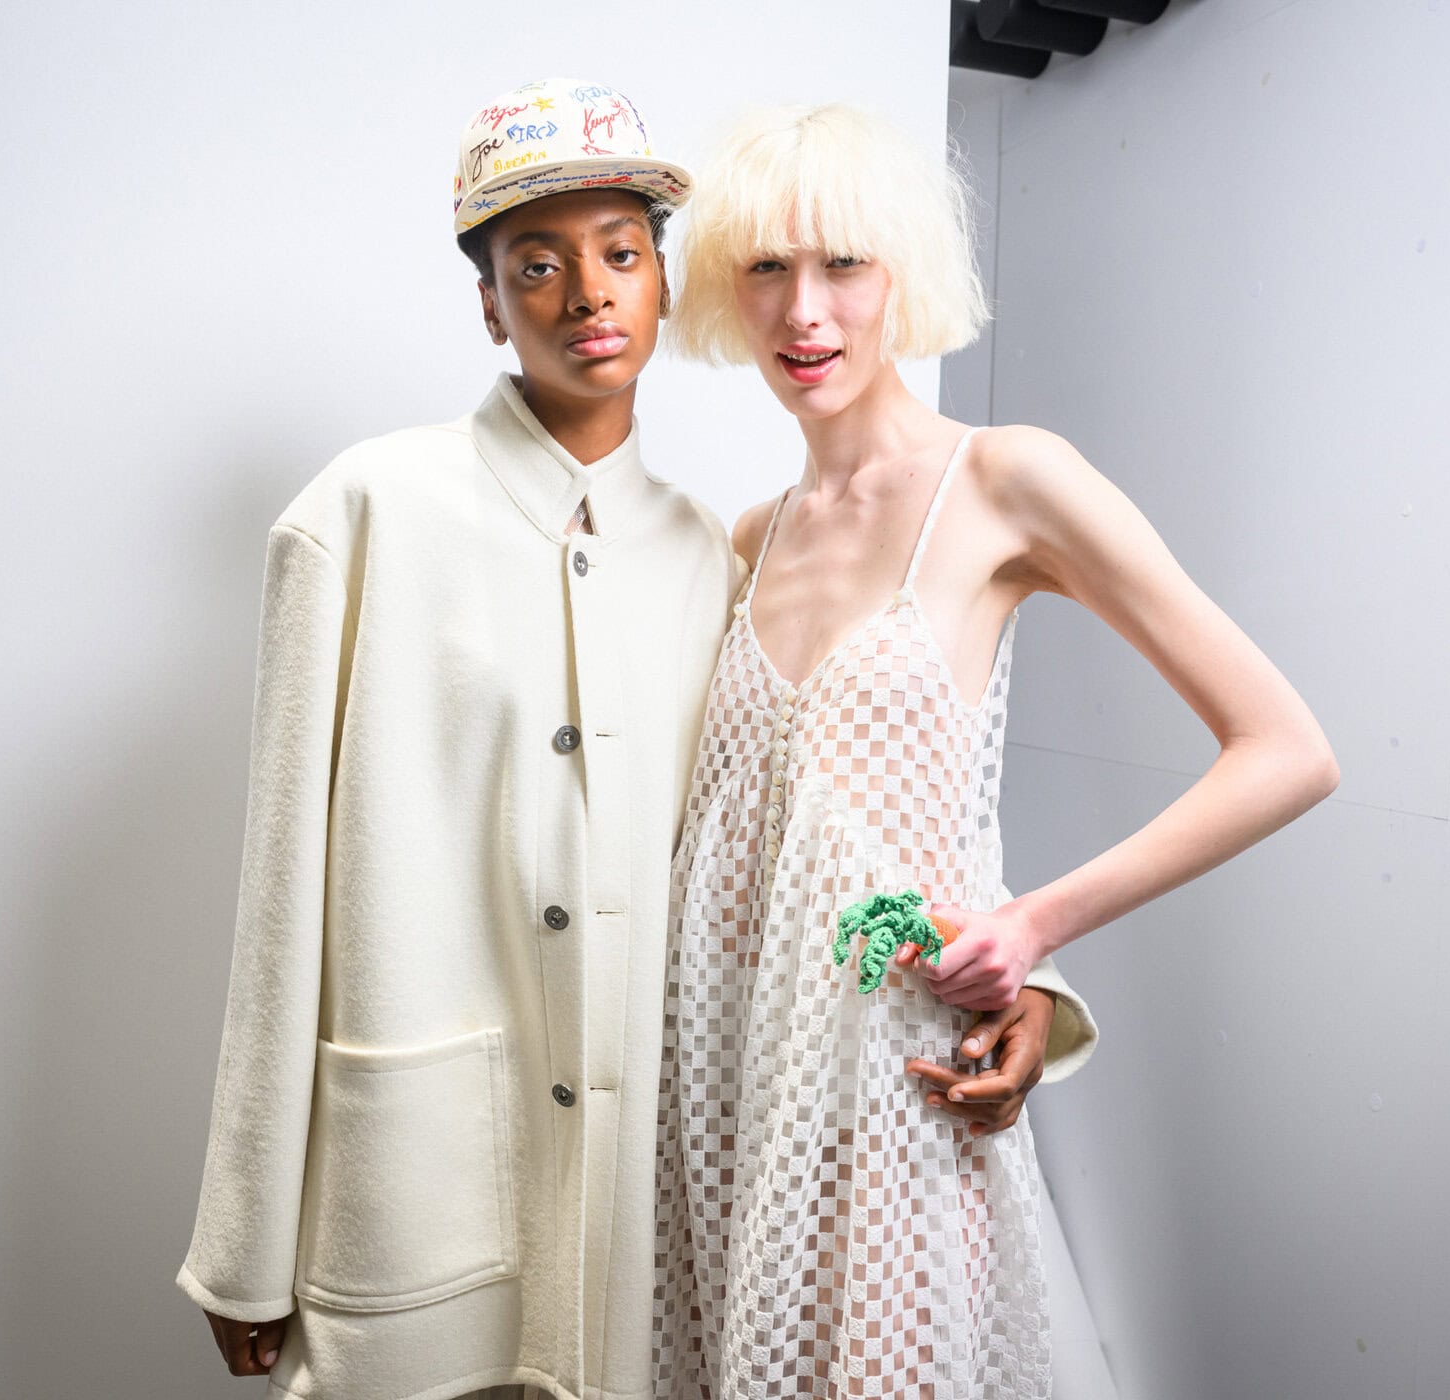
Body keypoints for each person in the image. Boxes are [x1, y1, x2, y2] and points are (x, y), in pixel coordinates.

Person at [172, 80, 1083, 1400]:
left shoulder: (716, 560)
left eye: (620, 255)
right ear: (491, 304)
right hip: (416, 1198)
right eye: (537, 265)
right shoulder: (362, 516)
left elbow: (817, 832)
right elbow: (279, 905)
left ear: (663, 284)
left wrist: (1021, 971)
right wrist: (243, 1238)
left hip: (651, 1218)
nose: (587, 295)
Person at [652, 103, 1340, 1397]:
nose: (805, 310)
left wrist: (1031, 937)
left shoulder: (1005, 481)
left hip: (893, 1088)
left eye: (844, 263)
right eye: (767, 268)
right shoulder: (749, 539)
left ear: (903, 272)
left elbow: (1286, 750)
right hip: (726, 1088)